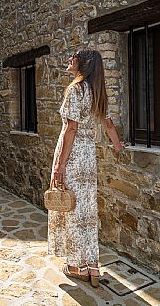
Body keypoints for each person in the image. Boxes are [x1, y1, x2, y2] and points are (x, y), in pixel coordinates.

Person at [48, 48, 123, 288]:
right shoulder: (97, 92)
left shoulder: (75, 90)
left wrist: (60, 165)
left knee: (71, 211)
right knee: (87, 213)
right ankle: (92, 266)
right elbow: (108, 124)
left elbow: (71, 129)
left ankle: (76, 266)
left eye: (74, 57)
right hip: (88, 158)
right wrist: (119, 146)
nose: (70, 59)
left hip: (72, 155)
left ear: (84, 64)